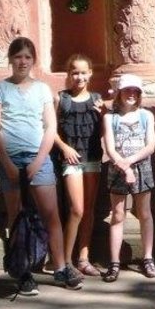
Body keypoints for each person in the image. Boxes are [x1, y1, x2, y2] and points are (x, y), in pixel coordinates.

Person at [0, 37, 83, 295]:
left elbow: (50, 126)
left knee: (50, 214)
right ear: (10, 59)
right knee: (16, 216)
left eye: (27, 57)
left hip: (37, 159)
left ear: (33, 61)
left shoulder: (42, 89)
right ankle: (23, 271)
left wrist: (40, 159)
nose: (22, 62)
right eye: (18, 56)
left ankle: (61, 267)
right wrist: (6, 162)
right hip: (10, 158)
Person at [102, 74, 155, 281]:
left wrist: (130, 162)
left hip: (141, 167)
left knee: (144, 213)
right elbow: (110, 148)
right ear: (119, 93)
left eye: (135, 91)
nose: (131, 94)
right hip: (117, 169)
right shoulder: (110, 118)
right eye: (127, 90)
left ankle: (148, 257)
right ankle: (114, 261)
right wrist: (124, 167)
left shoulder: (146, 116)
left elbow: (150, 146)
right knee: (117, 215)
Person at [53, 54, 105, 277]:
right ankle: (65, 261)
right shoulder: (60, 99)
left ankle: (84, 258)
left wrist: (106, 115)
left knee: (89, 210)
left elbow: (105, 131)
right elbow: (50, 130)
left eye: (83, 72)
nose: (79, 76)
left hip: (92, 157)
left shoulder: (97, 99)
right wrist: (64, 147)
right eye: (75, 72)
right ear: (69, 74)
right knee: (76, 209)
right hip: (71, 159)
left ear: (90, 73)